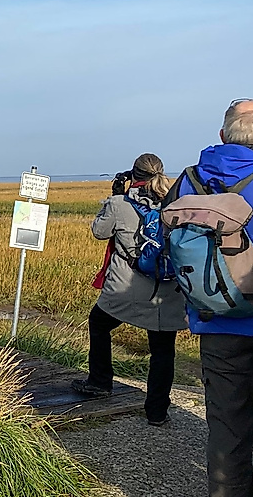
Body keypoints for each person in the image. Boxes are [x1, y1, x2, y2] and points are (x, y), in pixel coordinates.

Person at [167, 99, 253, 497]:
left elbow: (165, 244)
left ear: (223, 135)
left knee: (226, 428)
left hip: (214, 319)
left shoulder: (188, 180)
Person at [71, 153, 187, 426]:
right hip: (167, 291)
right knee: (163, 351)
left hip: (126, 288)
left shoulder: (119, 204)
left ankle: (100, 382)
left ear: (133, 177)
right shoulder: (177, 204)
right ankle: (157, 412)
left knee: (99, 324)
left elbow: (99, 232)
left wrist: (114, 196)